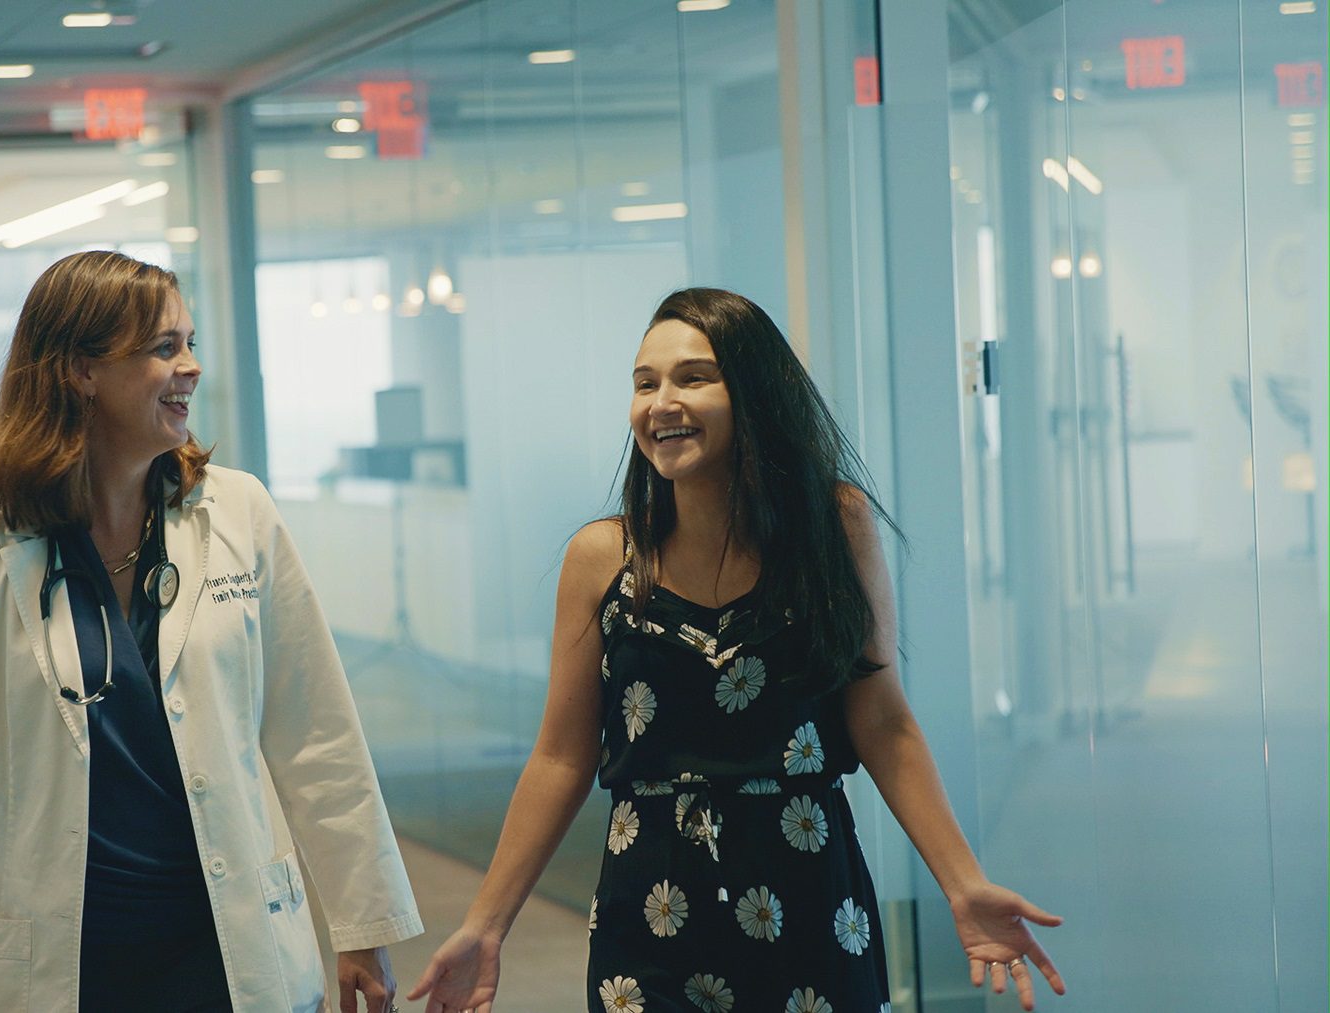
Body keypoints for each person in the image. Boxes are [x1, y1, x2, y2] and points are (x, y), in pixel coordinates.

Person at [407, 288, 1067, 1013]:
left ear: (752, 390)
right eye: (644, 382)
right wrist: (486, 923)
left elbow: (882, 719)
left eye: (693, 377)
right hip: (650, 903)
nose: (661, 402)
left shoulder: (834, 527)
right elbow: (561, 756)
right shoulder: (603, 557)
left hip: (808, 887)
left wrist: (962, 881)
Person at [0, 250, 421, 1013]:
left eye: (190, 342)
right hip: (64, 965)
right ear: (81, 370)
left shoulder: (239, 514)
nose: (192, 367)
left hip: (221, 952)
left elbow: (318, 733)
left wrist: (364, 921)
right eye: (165, 347)